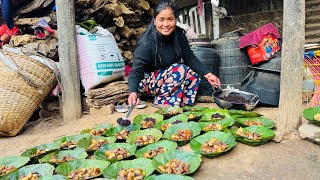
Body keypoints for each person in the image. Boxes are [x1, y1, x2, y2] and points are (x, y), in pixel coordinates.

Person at [127, 0, 220, 108]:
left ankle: (184, 102)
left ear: (175, 20)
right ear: (155, 21)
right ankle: (161, 101)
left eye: (170, 19)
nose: (166, 24)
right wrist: (133, 92)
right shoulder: (146, 42)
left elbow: (189, 58)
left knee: (193, 74)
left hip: (168, 79)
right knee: (179, 69)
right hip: (147, 83)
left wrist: (209, 75)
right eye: (161, 20)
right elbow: (136, 71)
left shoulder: (179, 35)